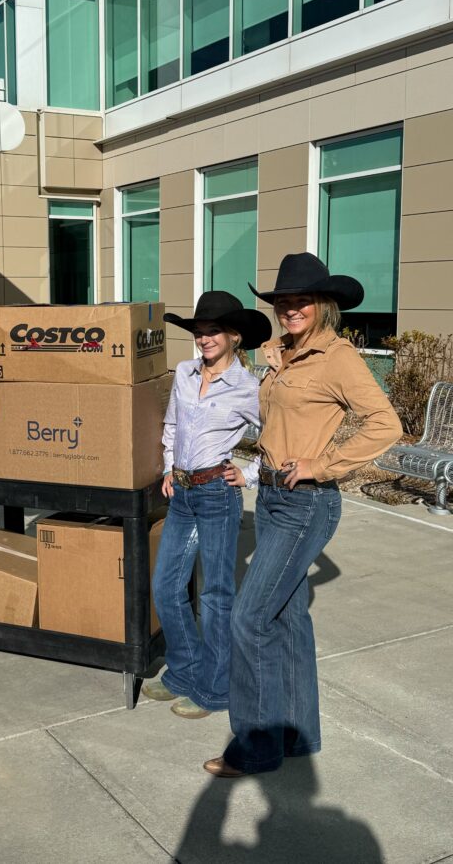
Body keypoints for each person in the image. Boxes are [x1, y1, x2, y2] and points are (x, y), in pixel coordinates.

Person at [203, 253, 402, 777]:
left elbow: (386, 424)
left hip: (306, 502)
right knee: (288, 619)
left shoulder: (337, 358)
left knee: (248, 618)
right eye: (283, 302)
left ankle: (256, 746)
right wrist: (271, 357)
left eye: (300, 302)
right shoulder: (283, 354)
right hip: (270, 497)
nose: (290, 310)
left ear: (323, 305)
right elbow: (274, 415)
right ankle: (297, 736)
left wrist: (321, 463)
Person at [142, 292, 271, 718]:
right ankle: (184, 671)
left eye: (213, 331)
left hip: (217, 494)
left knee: (216, 595)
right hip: (181, 494)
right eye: (199, 332)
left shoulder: (248, 387)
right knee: (166, 586)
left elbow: (277, 436)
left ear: (234, 336)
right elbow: (173, 424)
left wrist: (250, 473)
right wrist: (167, 468)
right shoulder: (183, 372)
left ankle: (217, 688)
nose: (204, 338)